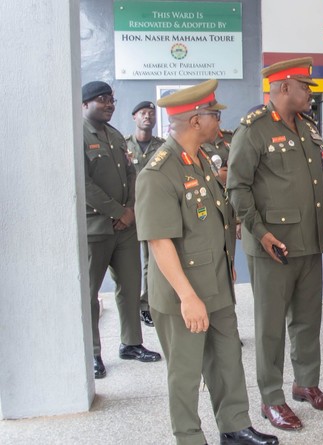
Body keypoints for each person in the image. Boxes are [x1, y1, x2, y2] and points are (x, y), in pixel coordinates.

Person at [135, 79, 278, 445]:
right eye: (214, 114)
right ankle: (189, 438)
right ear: (196, 120)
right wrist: (187, 297)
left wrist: (225, 263)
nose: (219, 121)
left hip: (216, 283)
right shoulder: (159, 172)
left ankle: (235, 427)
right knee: (185, 373)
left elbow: (211, 220)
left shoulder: (199, 160)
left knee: (227, 358)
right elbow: (159, 241)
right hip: (183, 293)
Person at [227, 57, 323, 431]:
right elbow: (237, 187)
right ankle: (271, 398)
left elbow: (319, 184)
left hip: (309, 242)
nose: (309, 93)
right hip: (273, 246)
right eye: (305, 87)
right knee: (271, 327)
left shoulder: (307, 127)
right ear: (284, 87)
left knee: (308, 320)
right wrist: (260, 232)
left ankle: (306, 383)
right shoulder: (254, 129)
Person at [81, 81, 161, 379]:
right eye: (102, 99)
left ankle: (131, 343)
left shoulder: (114, 135)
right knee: (89, 294)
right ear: (85, 105)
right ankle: (92, 353)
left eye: (111, 100)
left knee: (129, 287)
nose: (109, 104)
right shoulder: (78, 134)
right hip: (96, 227)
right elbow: (83, 183)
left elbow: (131, 174)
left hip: (125, 227)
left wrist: (130, 210)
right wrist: (119, 211)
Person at [126, 100, 166, 328]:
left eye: (151, 113)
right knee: (130, 262)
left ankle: (148, 305)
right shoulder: (124, 146)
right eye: (143, 113)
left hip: (153, 210)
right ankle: (132, 308)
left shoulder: (162, 146)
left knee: (152, 260)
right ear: (134, 117)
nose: (147, 116)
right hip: (130, 212)